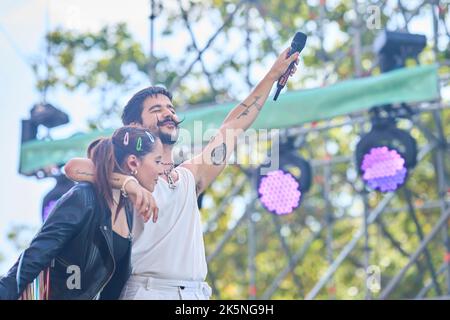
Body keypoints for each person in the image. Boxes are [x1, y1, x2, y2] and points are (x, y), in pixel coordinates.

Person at [64, 47, 300, 299]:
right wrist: (127, 184)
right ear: (134, 127)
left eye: (170, 108)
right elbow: (74, 168)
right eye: (156, 110)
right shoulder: (127, 170)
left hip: (195, 294)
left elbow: (233, 124)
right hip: (147, 291)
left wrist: (273, 75)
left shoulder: (189, 176)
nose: (168, 113)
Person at [0, 126, 163, 300]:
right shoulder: (85, 197)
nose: (161, 170)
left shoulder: (128, 211)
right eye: (158, 161)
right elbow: (36, 255)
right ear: (133, 163)